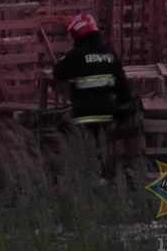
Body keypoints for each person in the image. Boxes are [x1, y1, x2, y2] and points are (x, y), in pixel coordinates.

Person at [52, 13, 136, 172]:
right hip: (105, 114)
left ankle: (85, 177)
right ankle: (101, 176)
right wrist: (123, 109)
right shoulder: (109, 54)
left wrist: (71, 54)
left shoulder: (76, 54)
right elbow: (122, 86)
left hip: (83, 115)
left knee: (78, 149)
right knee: (100, 149)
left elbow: (58, 72)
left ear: (77, 33)